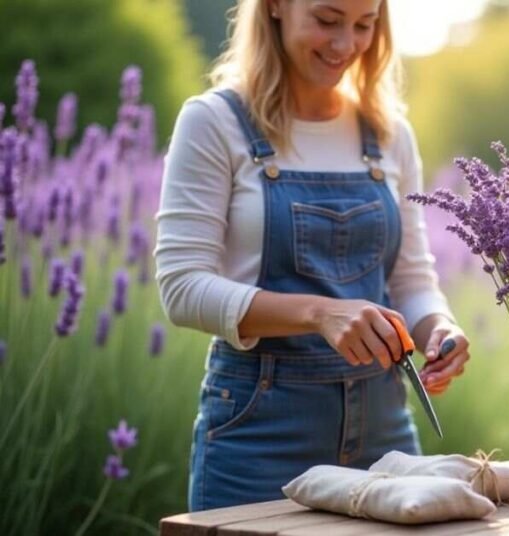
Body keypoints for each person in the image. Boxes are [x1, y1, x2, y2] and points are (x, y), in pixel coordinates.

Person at [154, 0, 470, 511]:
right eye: (327, 20)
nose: (346, 45)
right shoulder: (214, 122)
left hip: (384, 433)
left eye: (364, 25)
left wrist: (439, 327)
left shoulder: (390, 134)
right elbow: (182, 287)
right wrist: (320, 313)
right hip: (259, 433)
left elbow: (411, 278)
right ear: (276, 6)